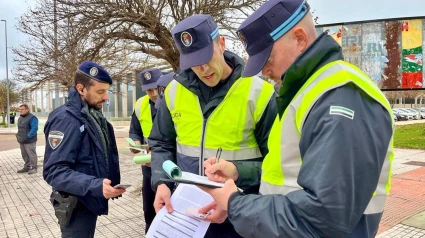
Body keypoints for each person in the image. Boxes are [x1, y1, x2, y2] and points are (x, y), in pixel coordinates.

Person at [199, 0, 395, 237]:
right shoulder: (306, 93)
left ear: (300, 39)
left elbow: (322, 219)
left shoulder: (341, 97)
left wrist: (235, 204)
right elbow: (289, 174)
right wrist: (239, 172)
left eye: (267, 59)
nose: (264, 72)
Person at [148, 14, 278, 237]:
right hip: (187, 213)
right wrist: (161, 182)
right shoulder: (174, 91)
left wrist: (236, 193)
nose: (203, 69)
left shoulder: (259, 93)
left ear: (222, 43)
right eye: (194, 63)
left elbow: (277, 164)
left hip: (240, 215)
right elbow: (161, 143)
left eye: (207, 58)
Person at [43, 61, 125, 238]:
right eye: (100, 92)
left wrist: (105, 185)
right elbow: (53, 171)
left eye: (107, 91)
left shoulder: (91, 114)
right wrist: (95, 185)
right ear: (81, 89)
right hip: (75, 205)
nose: (106, 97)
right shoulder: (66, 119)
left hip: (88, 199)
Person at [128, 68, 172, 233]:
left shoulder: (173, 100)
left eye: (155, 88)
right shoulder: (140, 105)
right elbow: (135, 130)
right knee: (149, 210)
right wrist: (136, 142)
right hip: (148, 168)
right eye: (148, 90)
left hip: (169, 167)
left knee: (169, 208)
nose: (153, 93)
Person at [16, 104, 39, 174]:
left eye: (22, 109)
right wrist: (18, 136)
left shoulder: (32, 118)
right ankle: (27, 167)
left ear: (27, 109)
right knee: (24, 155)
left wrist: (28, 136)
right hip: (22, 140)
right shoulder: (20, 118)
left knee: (31, 154)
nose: (20, 111)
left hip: (29, 141)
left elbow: (34, 128)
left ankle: (33, 168)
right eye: (19, 109)